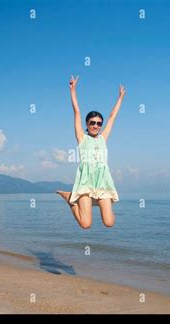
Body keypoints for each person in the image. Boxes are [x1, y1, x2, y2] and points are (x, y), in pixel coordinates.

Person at [57, 75, 126, 229]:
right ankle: (70, 200)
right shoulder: (82, 138)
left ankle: (78, 200)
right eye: (92, 123)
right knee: (85, 224)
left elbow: (112, 117)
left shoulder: (103, 138)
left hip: (103, 181)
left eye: (98, 123)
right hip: (86, 182)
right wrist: (73, 90)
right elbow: (77, 112)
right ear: (87, 124)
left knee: (109, 223)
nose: (96, 125)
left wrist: (120, 97)